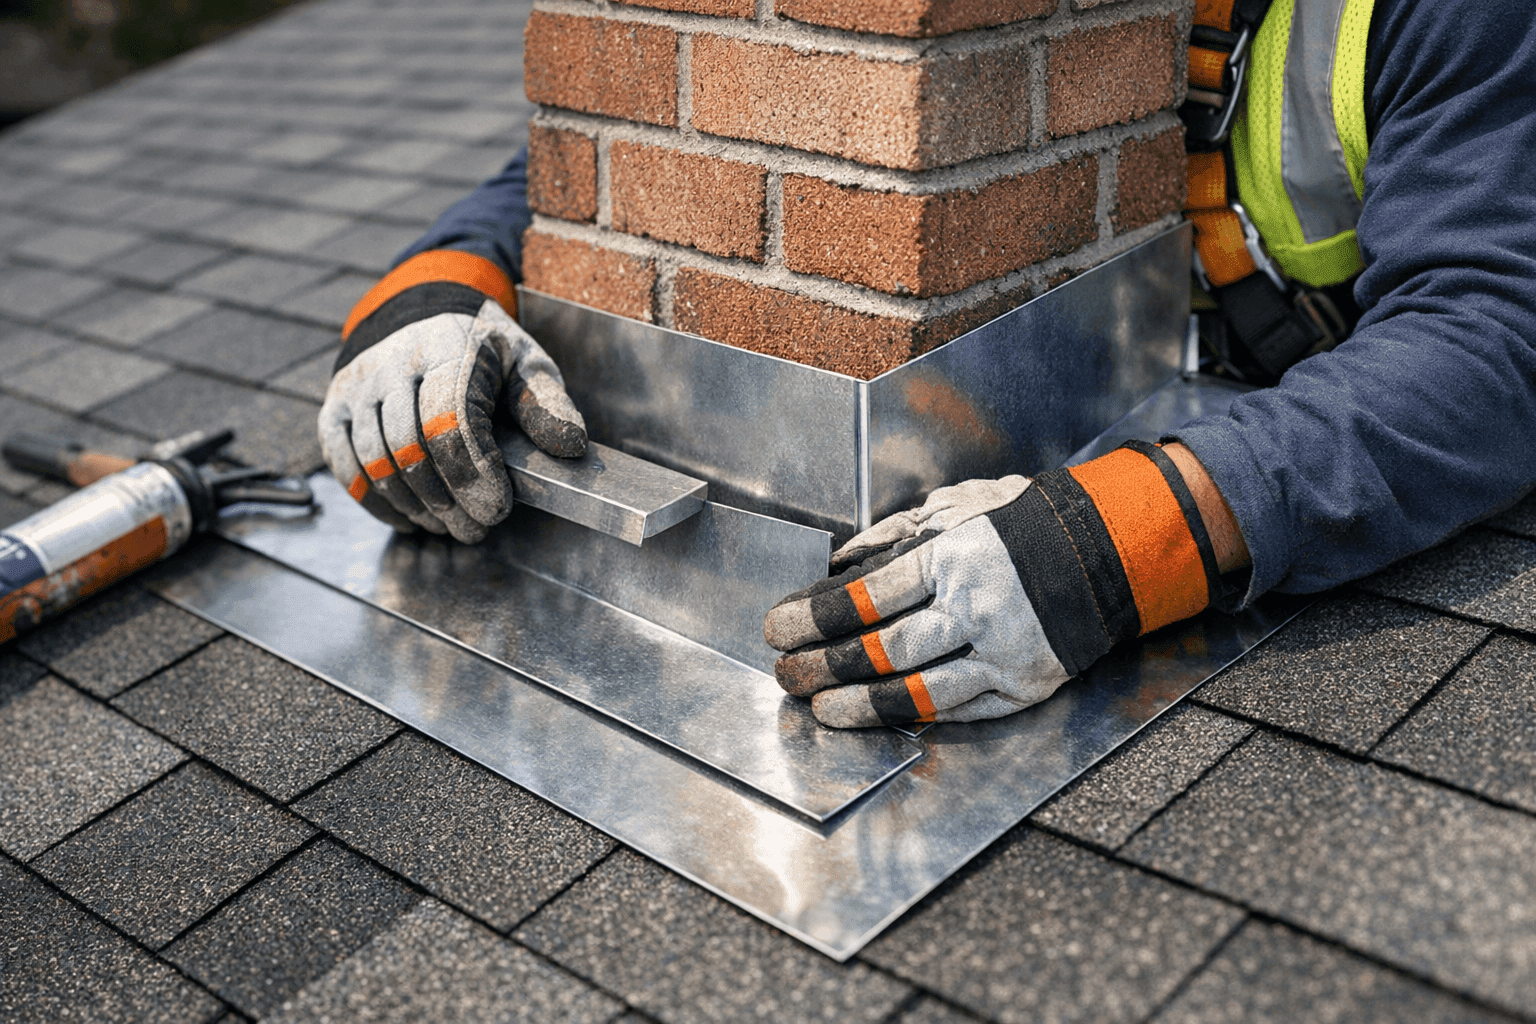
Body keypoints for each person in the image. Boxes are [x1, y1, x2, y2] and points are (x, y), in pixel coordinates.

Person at [320, 0, 1536, 728]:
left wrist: (1124, 542)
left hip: (1294, 422)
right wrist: (431, 293)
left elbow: (1491, 338)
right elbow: (663, 114)